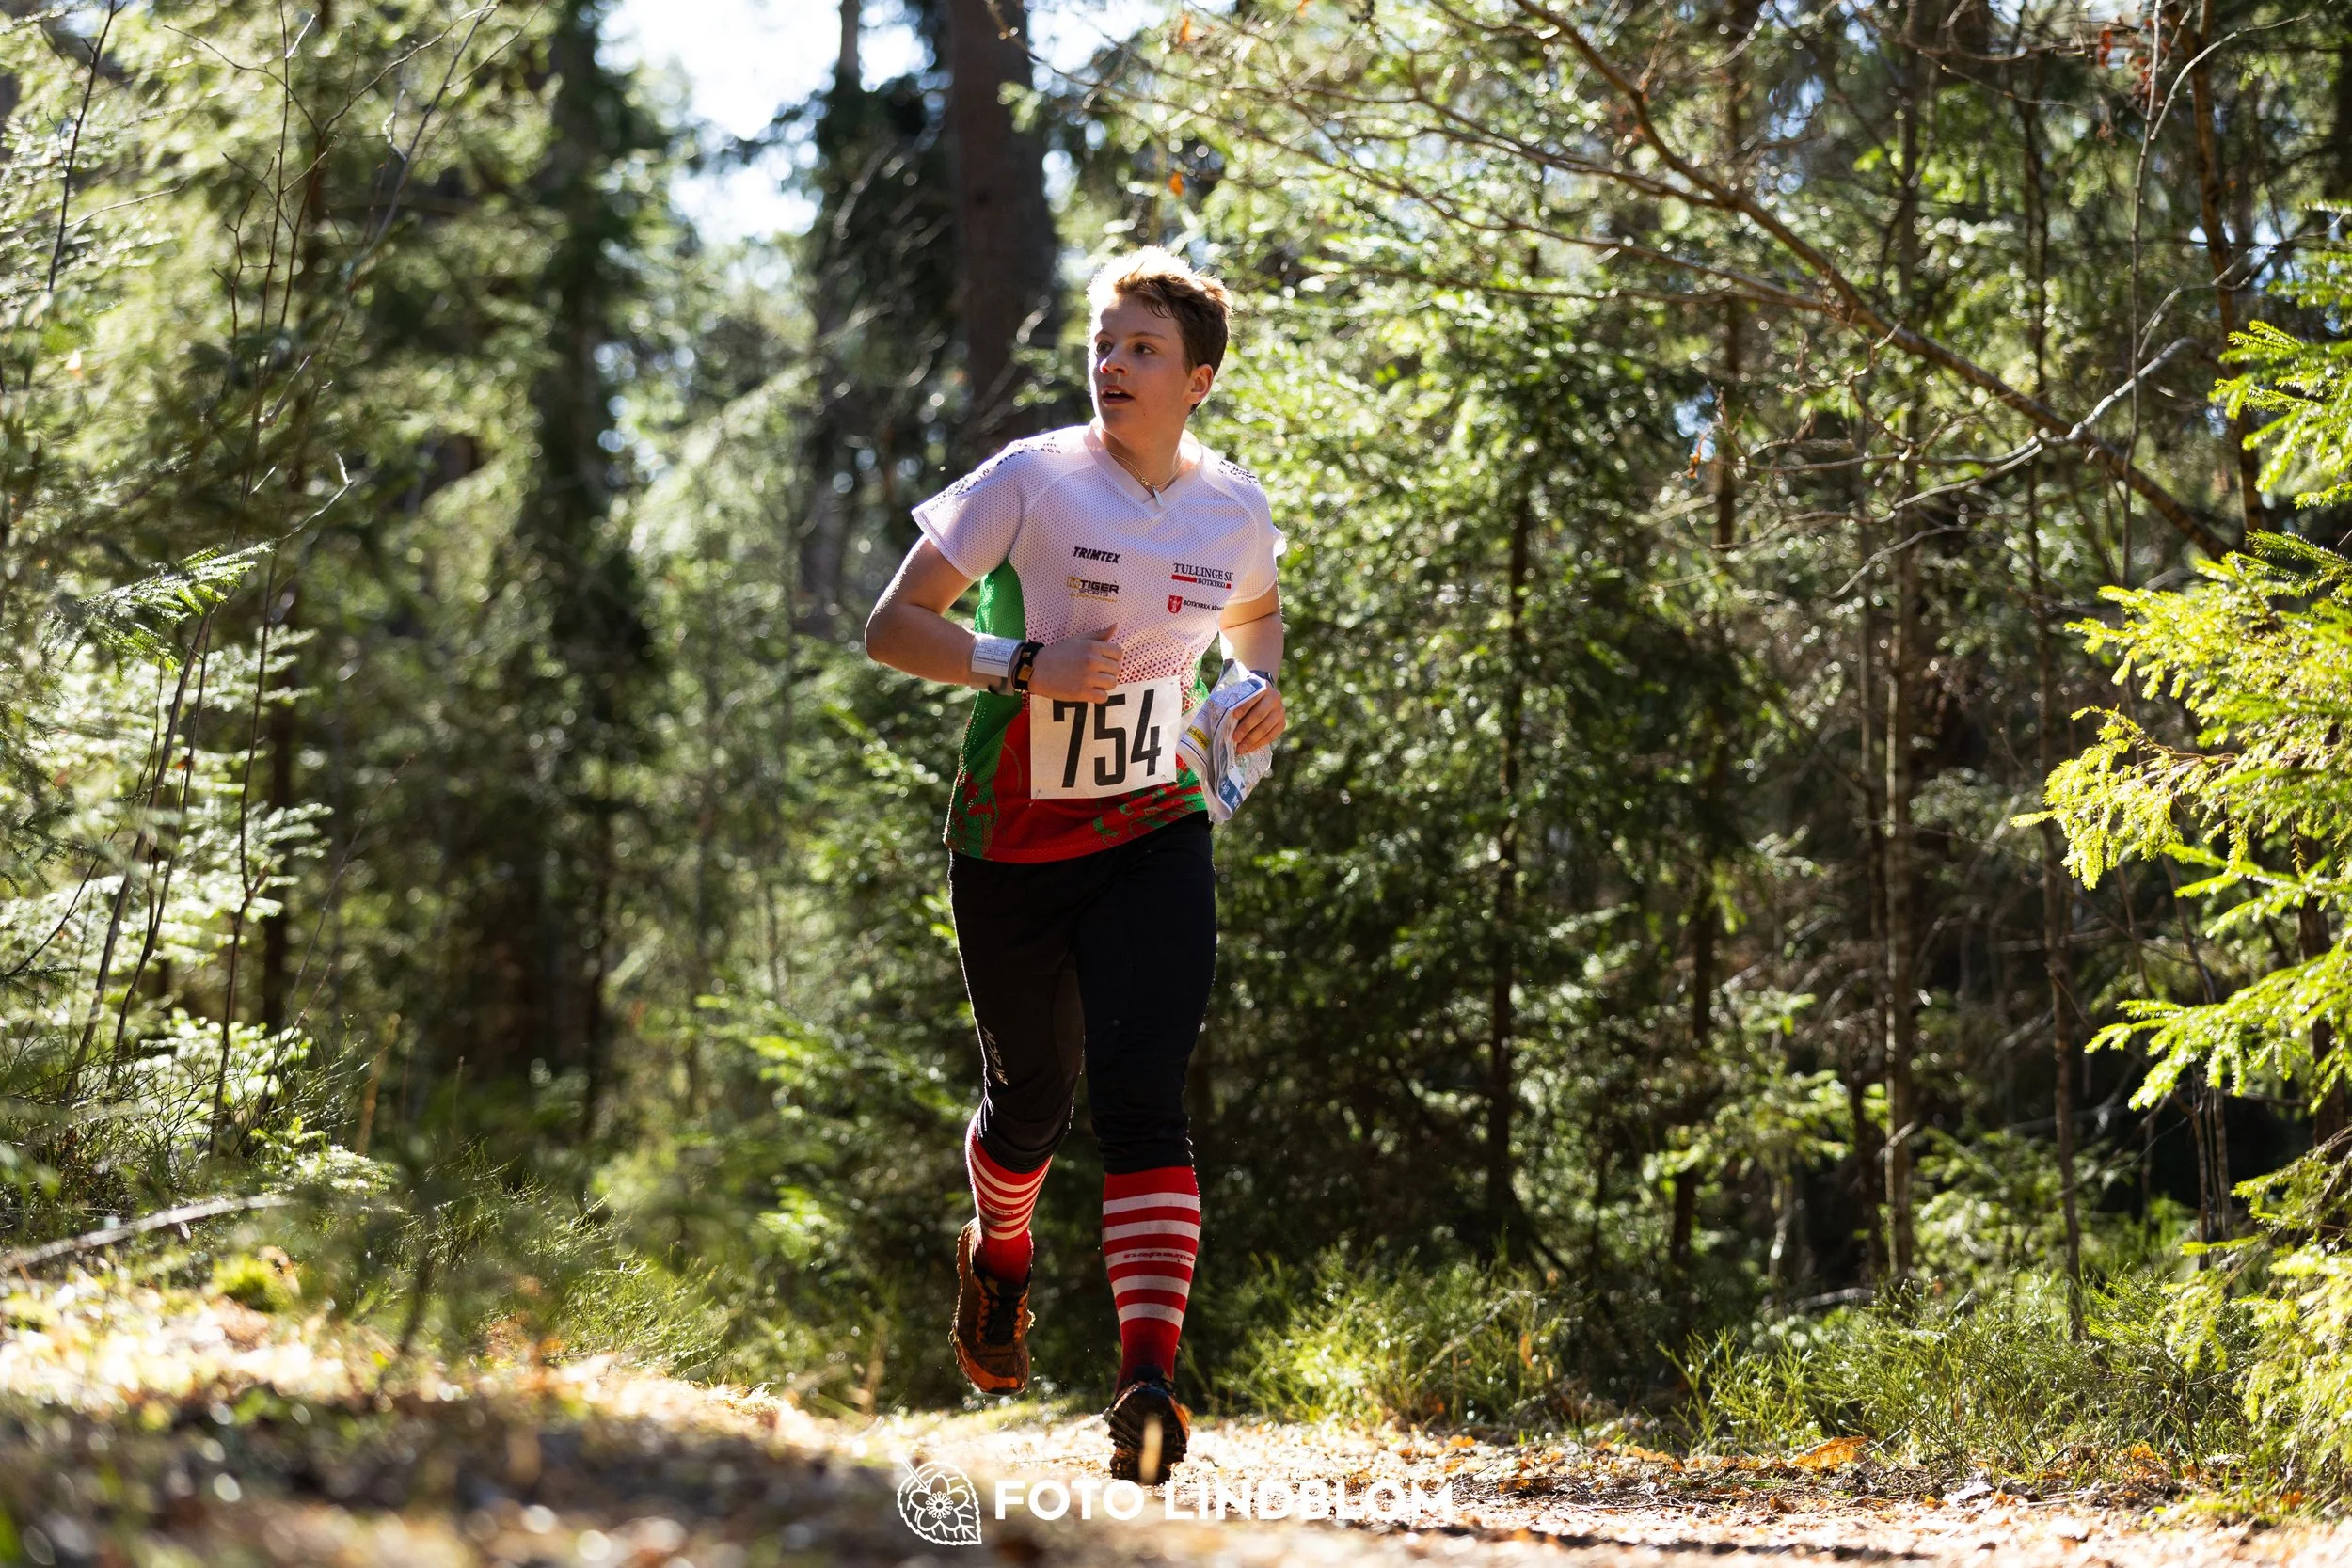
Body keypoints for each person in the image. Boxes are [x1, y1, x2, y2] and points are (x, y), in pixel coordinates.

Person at [864, 247, 1286, 1483]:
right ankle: (999, 1256)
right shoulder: (1032, 480)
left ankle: (1146, 1378)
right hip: (1012, 841)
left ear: (1197, 378)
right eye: (1105, 345)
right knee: (1034, 1100)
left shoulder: (1234, 510)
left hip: (1159, 827)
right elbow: (892, 626)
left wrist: (1255, 697)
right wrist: (1020, 662)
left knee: (1147, 1092)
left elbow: (1253, 630)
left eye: (1143, 349)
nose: (1114, 366)